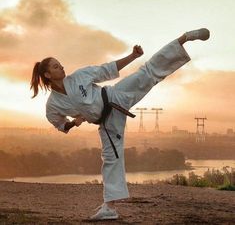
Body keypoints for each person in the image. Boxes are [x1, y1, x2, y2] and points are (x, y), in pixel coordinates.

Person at [30, 28, 210, 220]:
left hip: (115, 96)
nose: (62, 67)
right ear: (47, 75)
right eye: (56, 67)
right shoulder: (53, 105)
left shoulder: (79, 76)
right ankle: (110, 208)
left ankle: (184, 38)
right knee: (111, 158)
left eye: (60, 64)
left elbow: (109, 69)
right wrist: (74, 122)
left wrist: (132, 55)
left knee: (147, 73)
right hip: (107, 122)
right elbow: (60, 125)